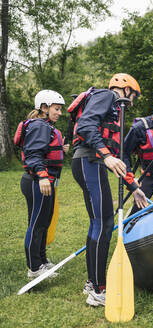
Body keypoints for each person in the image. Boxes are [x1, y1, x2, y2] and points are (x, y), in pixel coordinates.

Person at [71, 73, 147, 307]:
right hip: (89, 162)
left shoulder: (114, 108)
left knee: (98, 222)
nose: (132, 102)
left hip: (91, 163)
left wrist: (134, 187)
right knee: (103, 223)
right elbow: (85, 126)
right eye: (133, 96)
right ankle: (97, 289)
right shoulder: (107, 96)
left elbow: (119, 158)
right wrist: (105, 155)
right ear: (124, 89)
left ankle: (92, 283)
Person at [18, 90, 67, 281]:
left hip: (44, 181)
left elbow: (41, 149)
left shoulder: (45, 126)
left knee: (44, 222)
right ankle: (34, 267)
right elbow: (32, 155)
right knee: (36, 224)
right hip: (37, 181)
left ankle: (42, 260)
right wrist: (42, 176)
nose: (59, 113)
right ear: (44, 108)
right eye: (56, 109)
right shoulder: (40, 126)